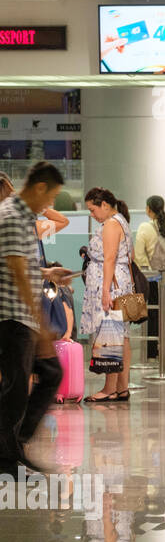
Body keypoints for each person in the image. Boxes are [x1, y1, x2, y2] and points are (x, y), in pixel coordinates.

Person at [0, 162, 73, 469]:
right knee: (16, 392)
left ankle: (14, 448)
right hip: (12, 318)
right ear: (41, 188)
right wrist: (43, 329)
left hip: (21, 318)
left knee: (41, 379)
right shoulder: (12, 217)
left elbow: (21, 266)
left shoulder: (22, 217)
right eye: (50, 196)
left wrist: (48, 273)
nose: (49, 205)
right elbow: (16, 272)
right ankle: (9, 456)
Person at [82, 187, 134, 403]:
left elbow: (110, 259)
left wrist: (105, 291)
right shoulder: (121, 221)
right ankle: (121, 387)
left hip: (111, 284)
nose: (91, 215)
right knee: (121, 336)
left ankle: (109, 388)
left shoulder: (112, 224)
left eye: (93, 210)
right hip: (119, 282)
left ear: (104, 205)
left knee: (110, 335)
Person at [134, 195, 165, 363]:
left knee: (153, 313)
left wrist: (149, 273)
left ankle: (151, 354)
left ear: (148, 209)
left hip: (153, 278)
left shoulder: (145, 228)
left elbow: (139, 256)